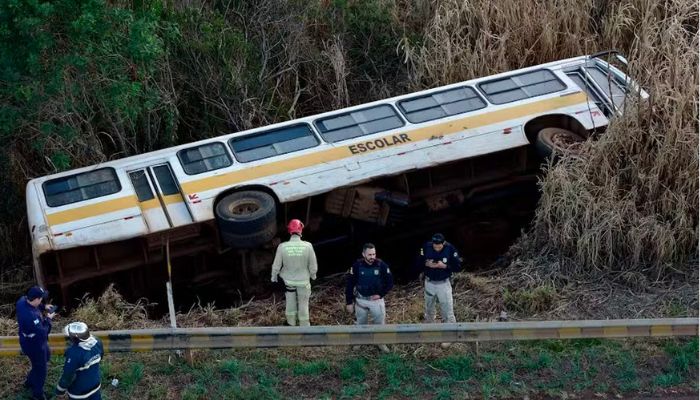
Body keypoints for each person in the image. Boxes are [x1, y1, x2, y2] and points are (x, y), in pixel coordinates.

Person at [345, 243, 393, 353]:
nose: (372, 257)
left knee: (380, 324)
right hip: (361, 300)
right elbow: (350, 284)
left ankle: (380, 343)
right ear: (363, 254)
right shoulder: (357, 266)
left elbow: (390, 282)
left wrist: (381, 294)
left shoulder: (381, 265)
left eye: (374, 254)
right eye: (369, 254)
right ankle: (359, 342)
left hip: (376, 301)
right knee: (361, 323)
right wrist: (349, 302)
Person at [417, 233, 461, 348]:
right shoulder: (426, 246)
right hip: (429, 282)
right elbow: (418, 261)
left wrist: (445, 266)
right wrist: (426, 263)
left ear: (443, 243)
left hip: (443, 284)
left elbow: (458, 266)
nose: (436, 248)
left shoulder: (450, 249)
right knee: (429, 309)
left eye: (439, 246)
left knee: (447, 310)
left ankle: (450, 336)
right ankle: (429, 332)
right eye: (435, 246)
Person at [271, 219, 318, 326]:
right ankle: (304, 326)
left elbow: (276, 266)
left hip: (288, 282)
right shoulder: (308, 246)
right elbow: (313, 265)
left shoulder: (282, 246)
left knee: (290, 303)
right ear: (301, 230)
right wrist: (313, 275)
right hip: (303, 281)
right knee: (303, 304)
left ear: (289, 231)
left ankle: (291, 324)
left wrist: (274, 277)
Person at [16, 285, 55, 400]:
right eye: (41, 299)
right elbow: (43, 333)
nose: (42, 300)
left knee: (46, 357)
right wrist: (49, 319)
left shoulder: (22, 301)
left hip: (28, 341)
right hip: (35, 345)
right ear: (36, 299)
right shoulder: (31, 317)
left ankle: (29, 382)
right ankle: (38, 395)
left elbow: (35, 305)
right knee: (41, 370)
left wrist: (44, 307)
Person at [55, 322, 104, 400]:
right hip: (95, 386)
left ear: (76, 339)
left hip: (79, 393)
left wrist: (60, 391)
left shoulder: (74, 353)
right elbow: (101, 356)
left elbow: (68, 376)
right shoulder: (97, 342)